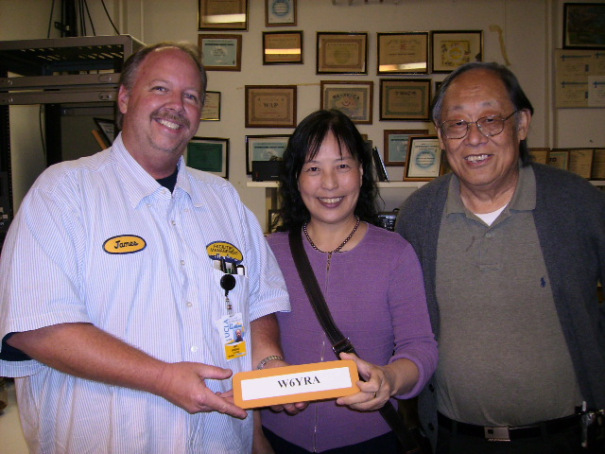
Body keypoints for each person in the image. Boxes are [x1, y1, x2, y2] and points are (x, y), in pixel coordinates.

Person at [0, 42, 290, 454]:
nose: (176, 105)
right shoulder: (63, 193)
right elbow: (38, 328)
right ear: (123, 97)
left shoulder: (224, 201)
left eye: (190, 96)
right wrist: (162, 377)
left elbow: (259, 302)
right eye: (160, 89)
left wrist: (268, 366)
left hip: (222, 442)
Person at [396, 62, 605, 454]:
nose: (473, 138)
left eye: (490, 120)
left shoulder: (580, 205)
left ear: (522, 124)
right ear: (441, 136)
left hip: (565, 438)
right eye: (457, 124)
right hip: (454, 440)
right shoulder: (419, 216)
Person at [256, 109, 438, 453]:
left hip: (370, 439)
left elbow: (422, 348)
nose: (329, 183)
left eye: (342, 165)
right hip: (279, 438)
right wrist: (256, 438)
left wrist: (390, 379)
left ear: (361, 172)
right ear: (296, 178)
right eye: (313, 168)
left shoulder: (395, 254)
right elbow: (245, 346)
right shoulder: (267, 252)